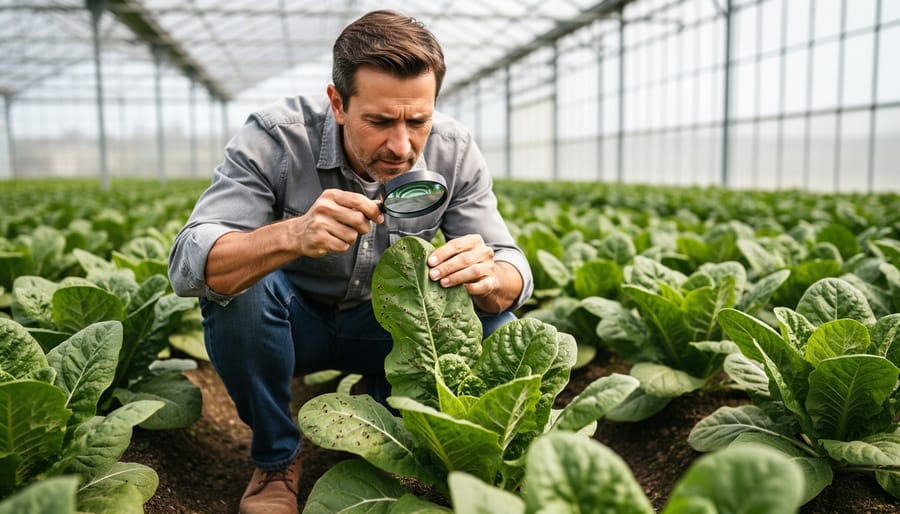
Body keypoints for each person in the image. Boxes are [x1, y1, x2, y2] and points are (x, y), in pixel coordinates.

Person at [168, 9, 533, 514]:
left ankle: (414, 446)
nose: (401, 145)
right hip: (293, 328)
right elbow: (190, 261)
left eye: (418, 120)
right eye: (380, 122)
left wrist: (493, 276)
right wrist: (291, 235)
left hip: (391, 329)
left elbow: (512, 265)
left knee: (497, 321)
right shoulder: (277, 138)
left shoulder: (455, 150)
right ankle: (276, 459)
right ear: (337, 103)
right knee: (240, 289)